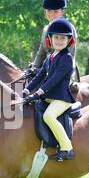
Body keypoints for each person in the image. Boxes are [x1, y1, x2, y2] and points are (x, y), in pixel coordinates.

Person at [24, 18, 76, 161]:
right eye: (56, 37)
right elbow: (40, 76)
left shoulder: (67, 58)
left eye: (63, 38)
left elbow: (54, 80)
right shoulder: (49, 57)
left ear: (68, 40)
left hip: (62, 98)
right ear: (50, 39)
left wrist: (40, 92)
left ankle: (67, 148)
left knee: (49, 116)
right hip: (49, 97)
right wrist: (27, 90)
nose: (59, 41)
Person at [33, 0, 78, 74]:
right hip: (46, 70)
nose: (52, 14)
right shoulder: (46, 29)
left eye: (55, 11)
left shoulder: (68, 29)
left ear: (62, 11)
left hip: (64, 71)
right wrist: (33, 68)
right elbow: (41, 54)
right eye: (49, 11)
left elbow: (66, 56)